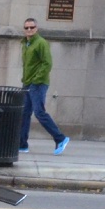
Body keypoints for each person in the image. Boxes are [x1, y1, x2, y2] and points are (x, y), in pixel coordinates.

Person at [18, 18, 68, 154]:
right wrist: (26, 80)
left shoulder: (41, 43)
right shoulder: (26, 44)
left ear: (37, 28)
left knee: (39, 112)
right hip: (28, 83)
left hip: (38, 84)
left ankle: (60, 138)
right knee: (24, 113)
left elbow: (47, 63)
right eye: (26, 28)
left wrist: (36, 79)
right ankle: (22, 145)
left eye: (32, 27)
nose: (29, 30)